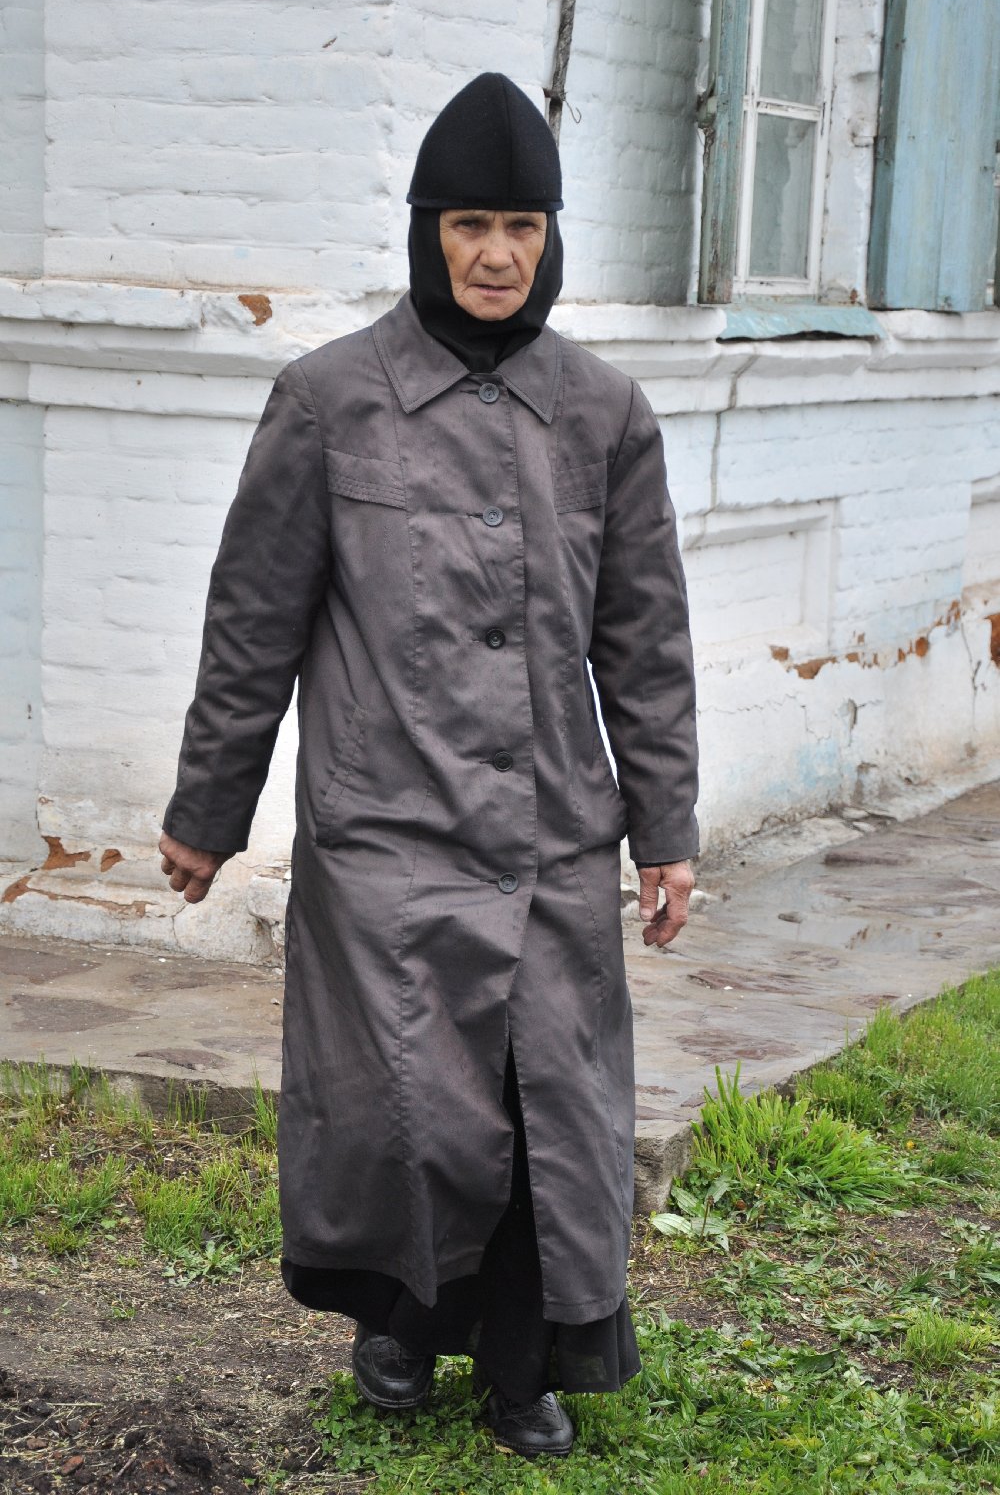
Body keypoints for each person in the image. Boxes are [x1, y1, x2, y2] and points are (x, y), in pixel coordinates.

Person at [159, 71, 699, 1460]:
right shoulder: (329, 402)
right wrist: (209, 809)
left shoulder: (605, 414)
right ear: (426, 232)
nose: (497, 255)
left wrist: (666, 828)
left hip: (553, 840)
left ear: (551, 237)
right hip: (387, 839)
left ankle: (522, 1371)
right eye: (470, 224)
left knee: (542, 1113)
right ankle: (397, 1327)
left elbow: (644, 641)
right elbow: (254, 621)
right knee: (405, 1112)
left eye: (522, 225)